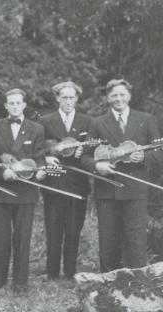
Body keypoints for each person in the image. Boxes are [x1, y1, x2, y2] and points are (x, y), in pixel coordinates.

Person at [81, 79, 161, 272]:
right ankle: (109, 285)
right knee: (108, 239)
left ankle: (137, 285)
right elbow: (84, 156)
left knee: (136, 239)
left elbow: (158, 152)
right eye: (114, 95)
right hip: (107, 190)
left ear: (129, 96)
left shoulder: (146, 119)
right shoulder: (97, 122)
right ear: (108, 98)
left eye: (122, 94)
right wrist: (96, 165)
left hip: (136, 190)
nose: (118, 99)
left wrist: (143, 156)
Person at [0, 88, 46, 294]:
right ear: (6, 106)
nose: (15, 106)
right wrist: (3, 170)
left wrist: (40, 171)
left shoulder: (36, 129)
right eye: (11, 103)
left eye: (19, 103)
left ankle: (20, 282)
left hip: (26, 192)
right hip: (2, 189)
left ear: (24, 105)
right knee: (0, 237)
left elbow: (40, 157)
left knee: (22, 238)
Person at [39, 81, 91, 280]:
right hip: (53, 183)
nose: (68, 101)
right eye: (64, 97)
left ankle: (70, 272)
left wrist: (83, 150)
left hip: (78, 183)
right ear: (58, 99)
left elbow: (94, 149)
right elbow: (37, 148)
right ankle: (52, 273)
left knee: (73, 229)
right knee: (53, 228)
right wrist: (45, 158)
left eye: (72, 97)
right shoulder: (45, 121)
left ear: (77, 99)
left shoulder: (87, 121)